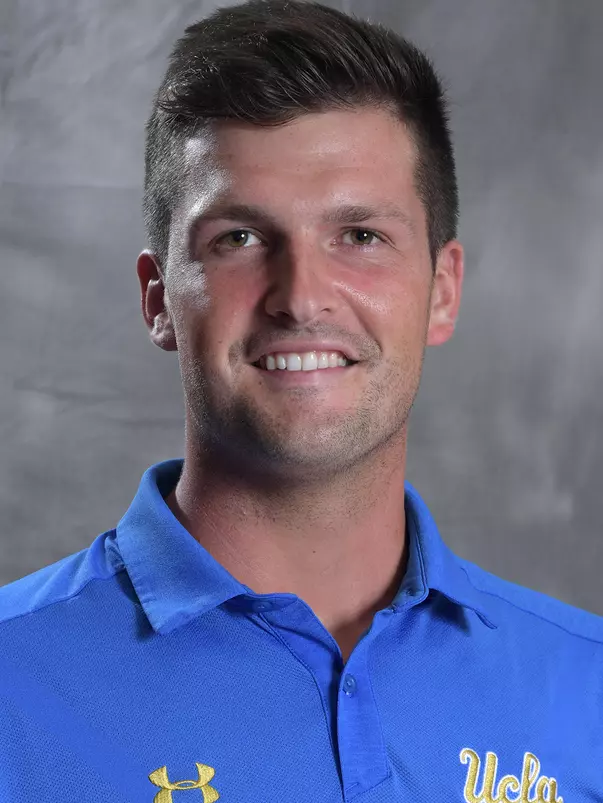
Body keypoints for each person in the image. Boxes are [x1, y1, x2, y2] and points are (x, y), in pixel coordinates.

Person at [1, 0, 601, 800]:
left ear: (443, 290)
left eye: (360, 236)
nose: (301, 297)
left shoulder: (583, 688)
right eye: (239, 239)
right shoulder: (16, 686)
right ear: (158, 300)